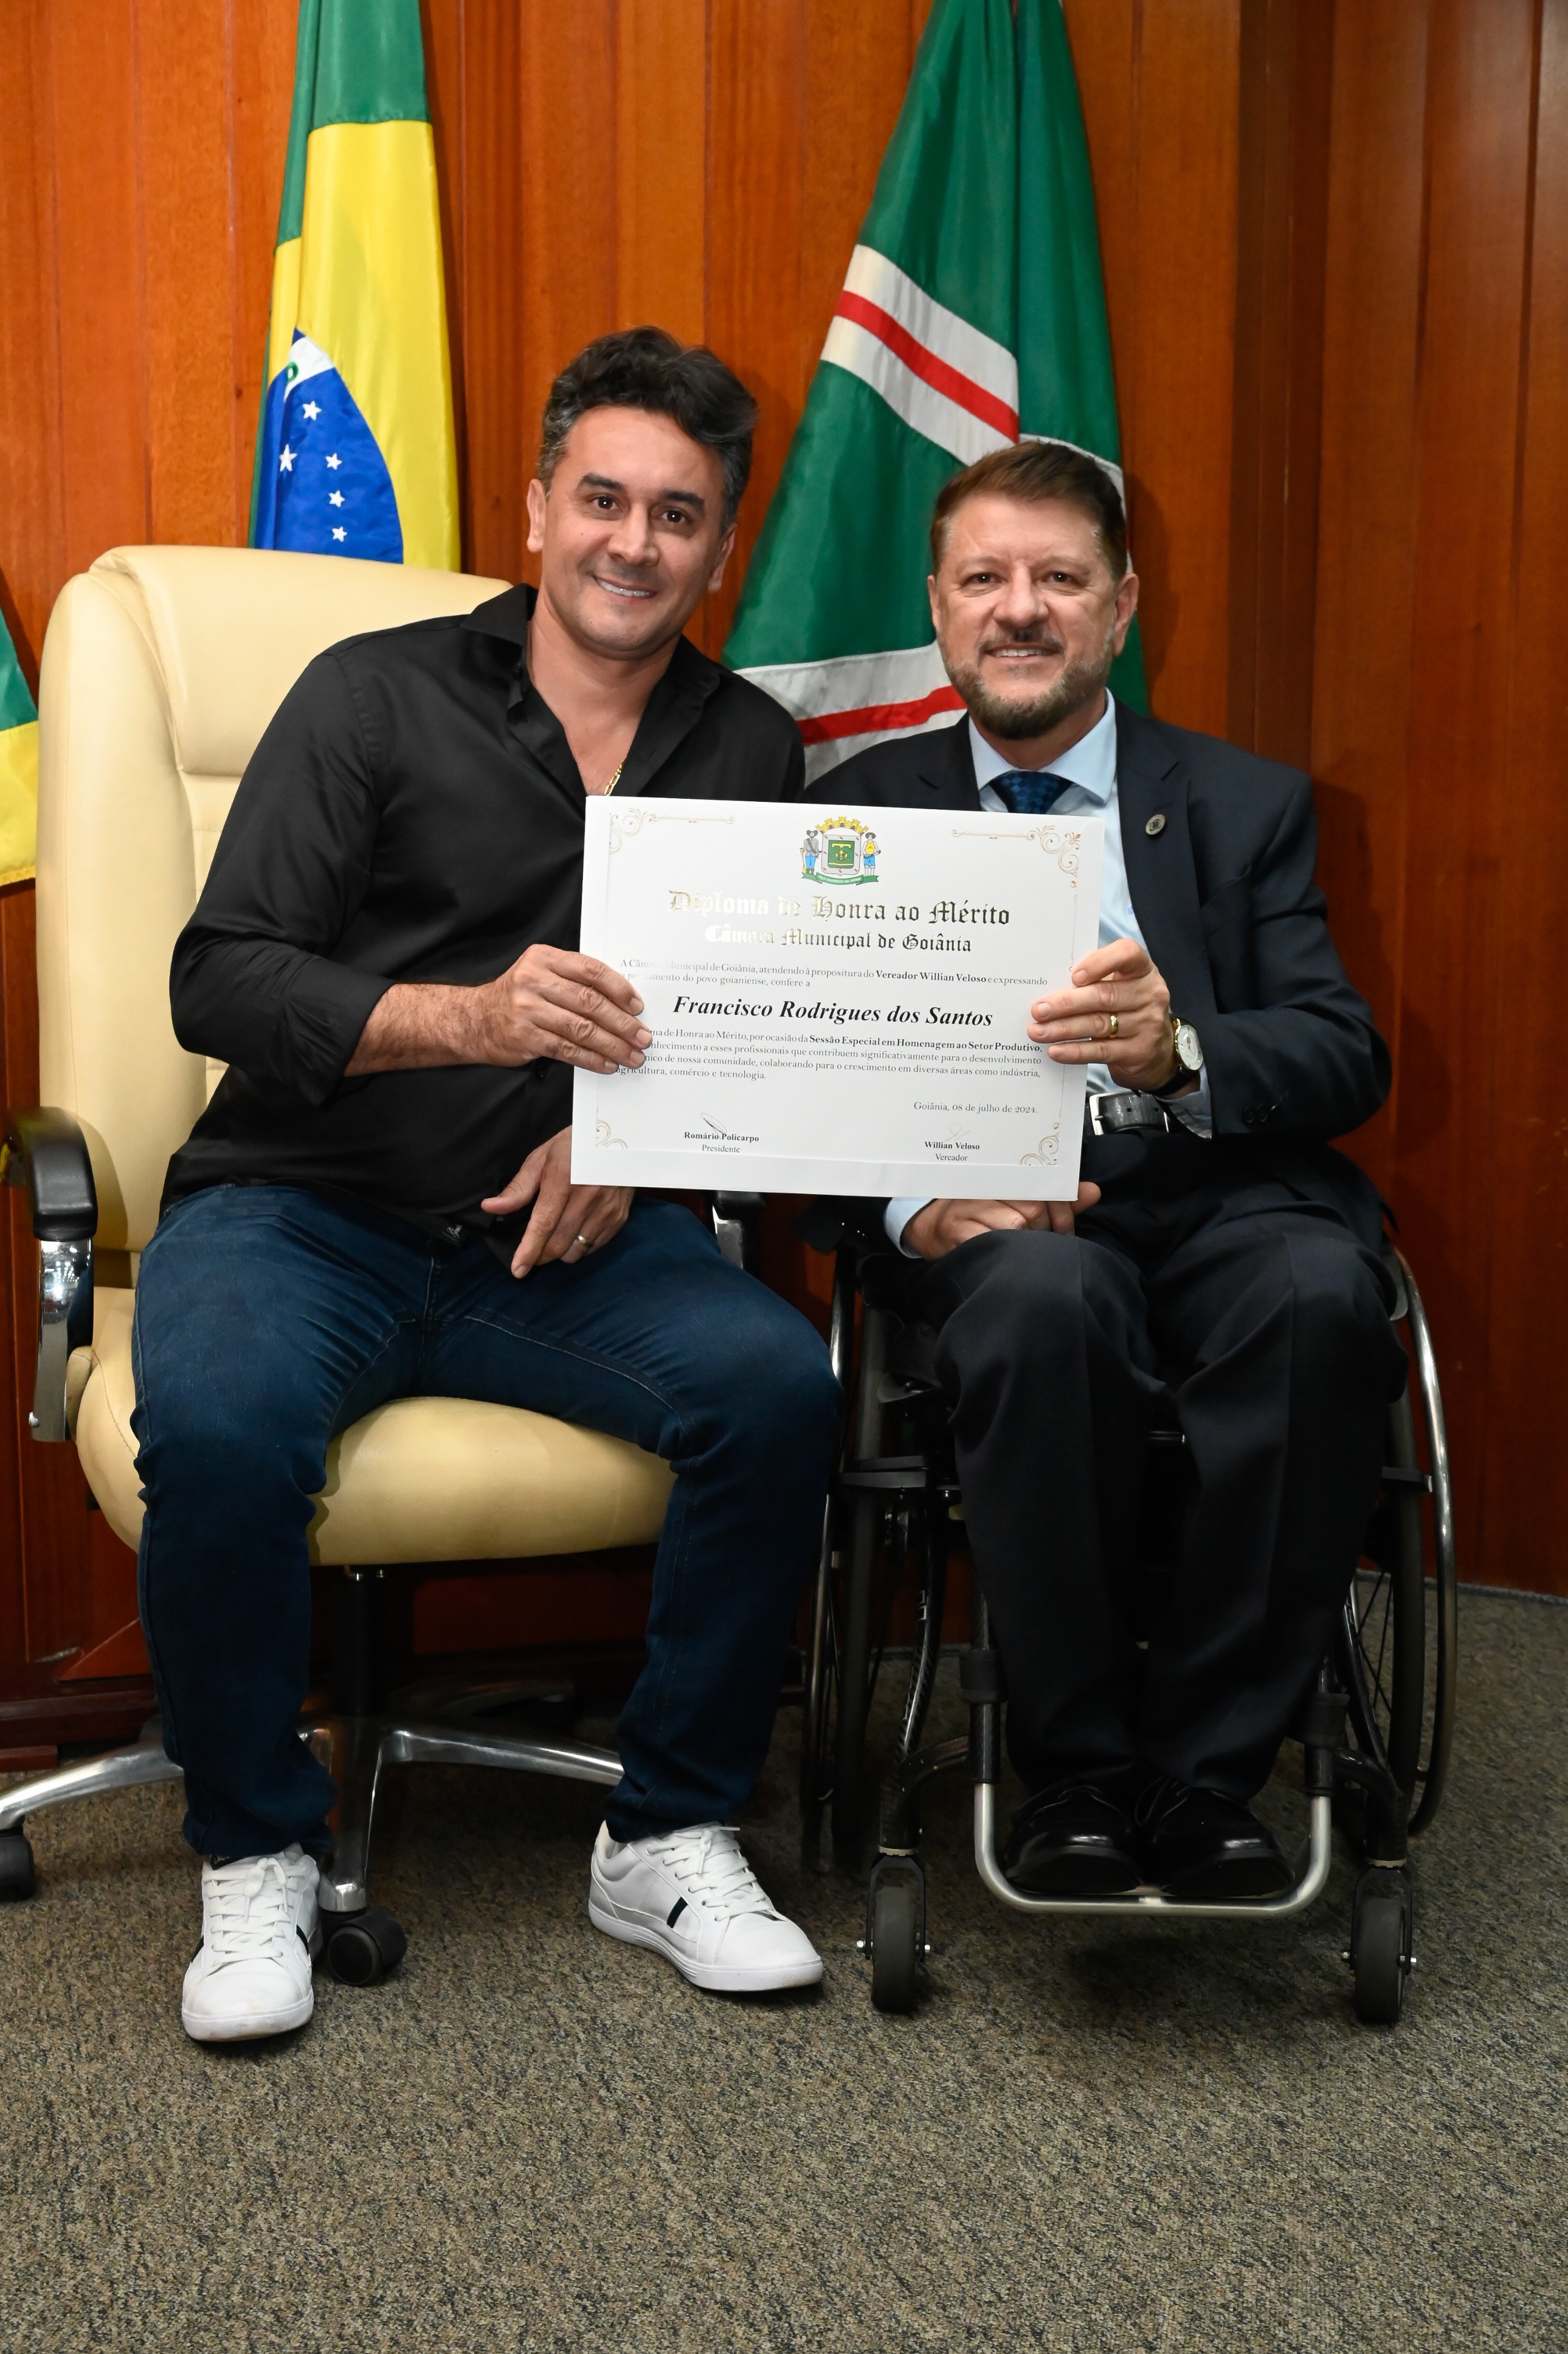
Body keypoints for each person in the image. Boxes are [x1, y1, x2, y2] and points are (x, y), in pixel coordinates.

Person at [137, 328, 838, 2043]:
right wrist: (467, 1014)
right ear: (535, 511)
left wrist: (625, 1141)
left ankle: (664, 1832)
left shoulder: (751, 745)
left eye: (677, 514)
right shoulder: (372, 696)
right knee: (219, 1422)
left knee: (774, 1386)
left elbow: (750, 1033)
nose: (632, 542)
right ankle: (257, 1853)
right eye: (601, 498)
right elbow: (219, 981)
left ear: (720, 546)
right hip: (304, 1208)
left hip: (560, 1245)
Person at [811, 440, 1405, 1902]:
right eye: (985, 579)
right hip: (994, 1218)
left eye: (1060, 579)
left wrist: (1179, 1053)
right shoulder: (852, 810)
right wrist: (910, 1209)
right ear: (940, 608)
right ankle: (1075, 1772)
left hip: (1218, 1197)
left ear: (1121, 605)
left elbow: (1343, 1053)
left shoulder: (1243, 803)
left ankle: (1204, 1779)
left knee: (1320, 1297)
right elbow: (790, 1076)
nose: (1021, 608)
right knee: (1041, 1301)